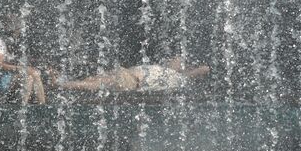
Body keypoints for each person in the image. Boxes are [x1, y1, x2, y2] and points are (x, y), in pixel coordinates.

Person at [54, 56, 210, 94]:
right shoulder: (166, 70)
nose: (176, 60)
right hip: (127, 73)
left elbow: (204, 69)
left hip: (131, 80)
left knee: (93, 84)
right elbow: (177, 58)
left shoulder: (180, 79)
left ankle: (60, 84)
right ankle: (63, 82)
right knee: (92, 79)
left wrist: (195, 69)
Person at [0, 20, 47, 105]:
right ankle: (24, 107)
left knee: (33, 74)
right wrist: (23, 69)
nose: (20, 32)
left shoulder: (13, 42)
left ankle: (40, 105)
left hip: (8, 76)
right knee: (29, 77)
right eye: (19, 30)